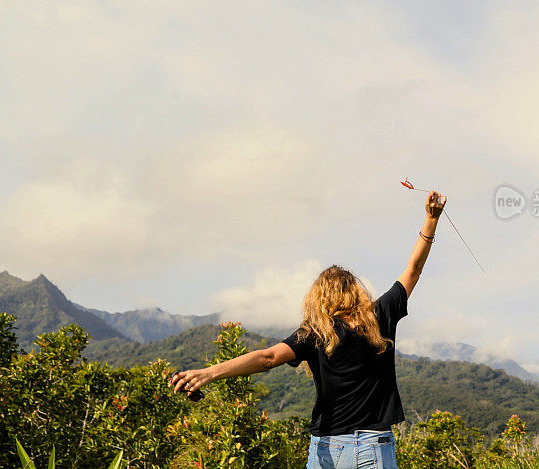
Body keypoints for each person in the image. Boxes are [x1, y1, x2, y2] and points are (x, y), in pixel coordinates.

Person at [170, 190, 447, 468]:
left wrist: (209, 372)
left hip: (325, 447)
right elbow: (413, 270)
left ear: (318, 298)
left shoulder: (314, 332)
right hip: (371, 446)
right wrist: (430, 219)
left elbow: (267, 358)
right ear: (356, 291)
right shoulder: (379, 314)